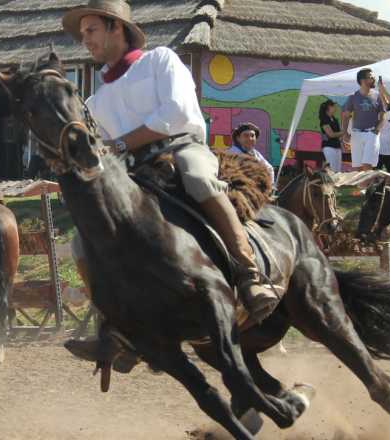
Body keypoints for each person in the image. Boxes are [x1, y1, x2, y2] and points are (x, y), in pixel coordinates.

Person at [60, 0, 277, 360]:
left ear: (117, 28)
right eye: (83, 34)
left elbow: (175, 114)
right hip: (136, 171)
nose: (85, 39)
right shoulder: (95, 102)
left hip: (181, 149)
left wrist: (120, 143)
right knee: (84, 240)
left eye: (91, 30)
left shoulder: (161, 59)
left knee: (199, 182)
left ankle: (249, 275)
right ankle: (116, 325)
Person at [342, 68, 387, 171]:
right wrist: (345, 133)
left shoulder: (378, 95)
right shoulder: (353, 97)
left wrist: (376, 131)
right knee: (358, 168)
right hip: (356, 134)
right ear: (362, 80)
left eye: (373, 77)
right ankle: (362, 187)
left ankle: (368, 187)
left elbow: (383, 115)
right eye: (370, 77)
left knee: (367, 165)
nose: (373, 79)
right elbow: (346, 116)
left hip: (371, 134)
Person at [318, 99, 345, 172]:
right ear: (328, 108)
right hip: (329, 147)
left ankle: (337, 183)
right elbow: (331, 134)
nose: (335, 107)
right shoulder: (324, 120)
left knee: (338, 170)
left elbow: (337, 133)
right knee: (332, 169)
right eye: (333, 106)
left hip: (337, 146)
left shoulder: (334, 119)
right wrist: (343, 132)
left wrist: (341, 138)